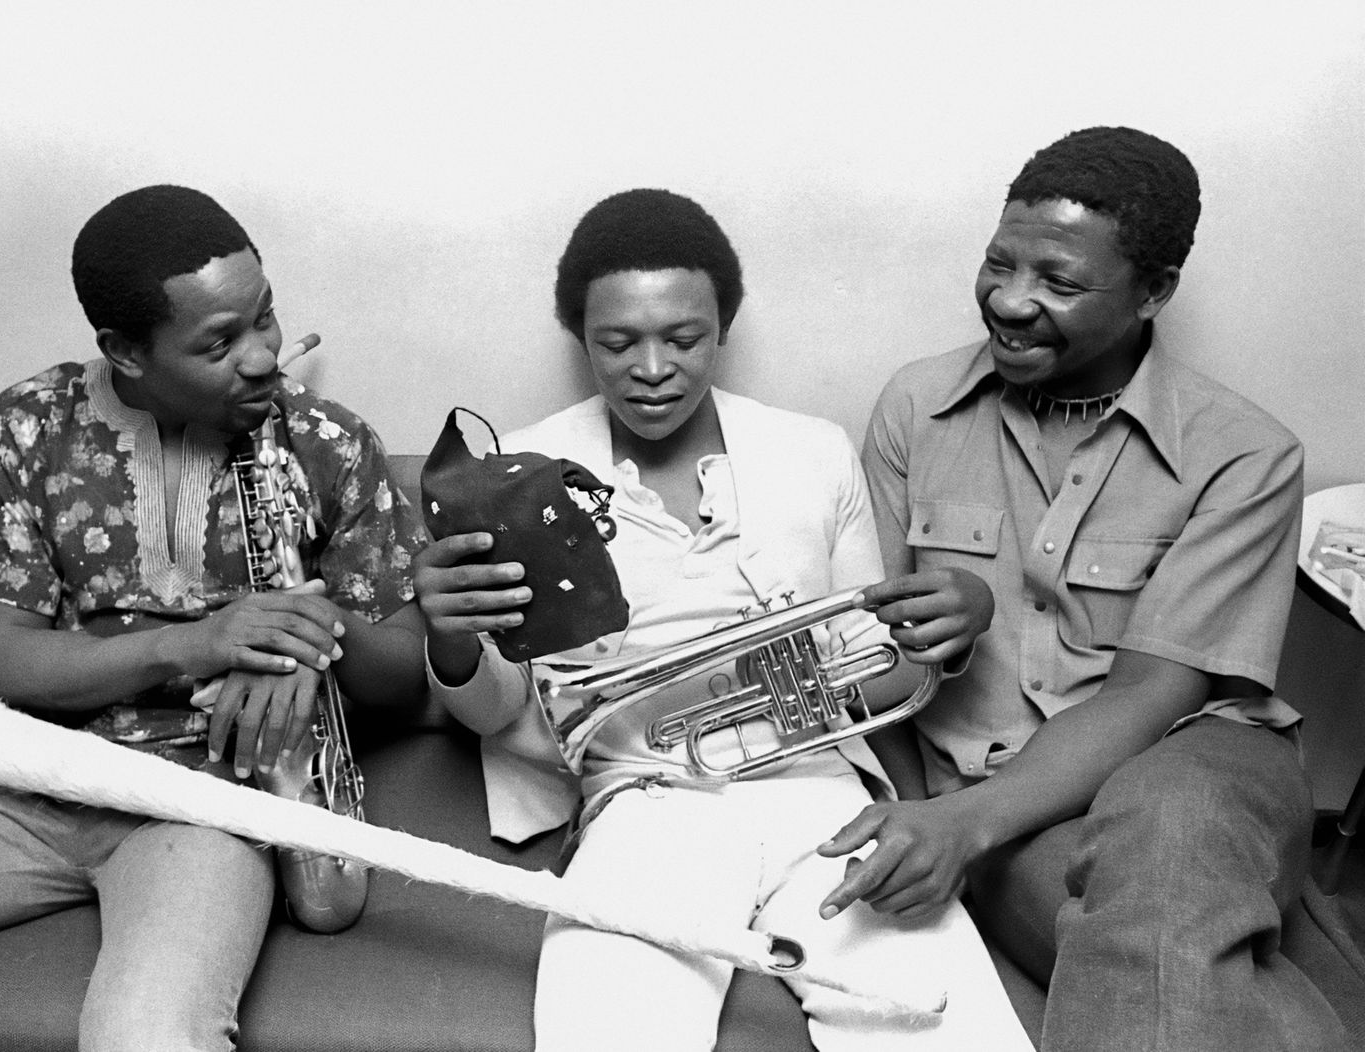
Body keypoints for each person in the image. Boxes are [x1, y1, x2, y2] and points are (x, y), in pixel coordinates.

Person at [0, 185, 428, 1050]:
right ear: (125, 352)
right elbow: (3, 664)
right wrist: (190, 643)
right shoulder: (31, 423)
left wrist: (315, 637)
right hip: (33, 777)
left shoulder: (328, 441)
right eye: (220, 343)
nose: (264, 357)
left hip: (206, 809)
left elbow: (405, 670)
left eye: (265, 318)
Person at [412, 188, 1032, 1051]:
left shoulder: (813, 452)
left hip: (822, 797)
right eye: (617, 342)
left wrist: (950, 628)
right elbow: (498, 713)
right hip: (646, 801)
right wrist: (449, 636)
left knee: (941, 1023)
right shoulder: (517, 472)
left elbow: (871, 673)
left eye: (685, 337)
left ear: (726, 328)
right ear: (580, 338)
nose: (653, 368)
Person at [829, 126, 1361, 1050]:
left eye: (1061, 284)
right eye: (999, 263)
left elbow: (1155, 693)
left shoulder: (1245, 452)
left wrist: (963, 825)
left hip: (1193, 758)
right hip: (998, 787)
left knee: (1172, 836)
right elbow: (872, 655)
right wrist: (929, 654)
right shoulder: (916, 405)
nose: (1011, 301)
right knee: (1164, 960)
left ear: (1154, 292)